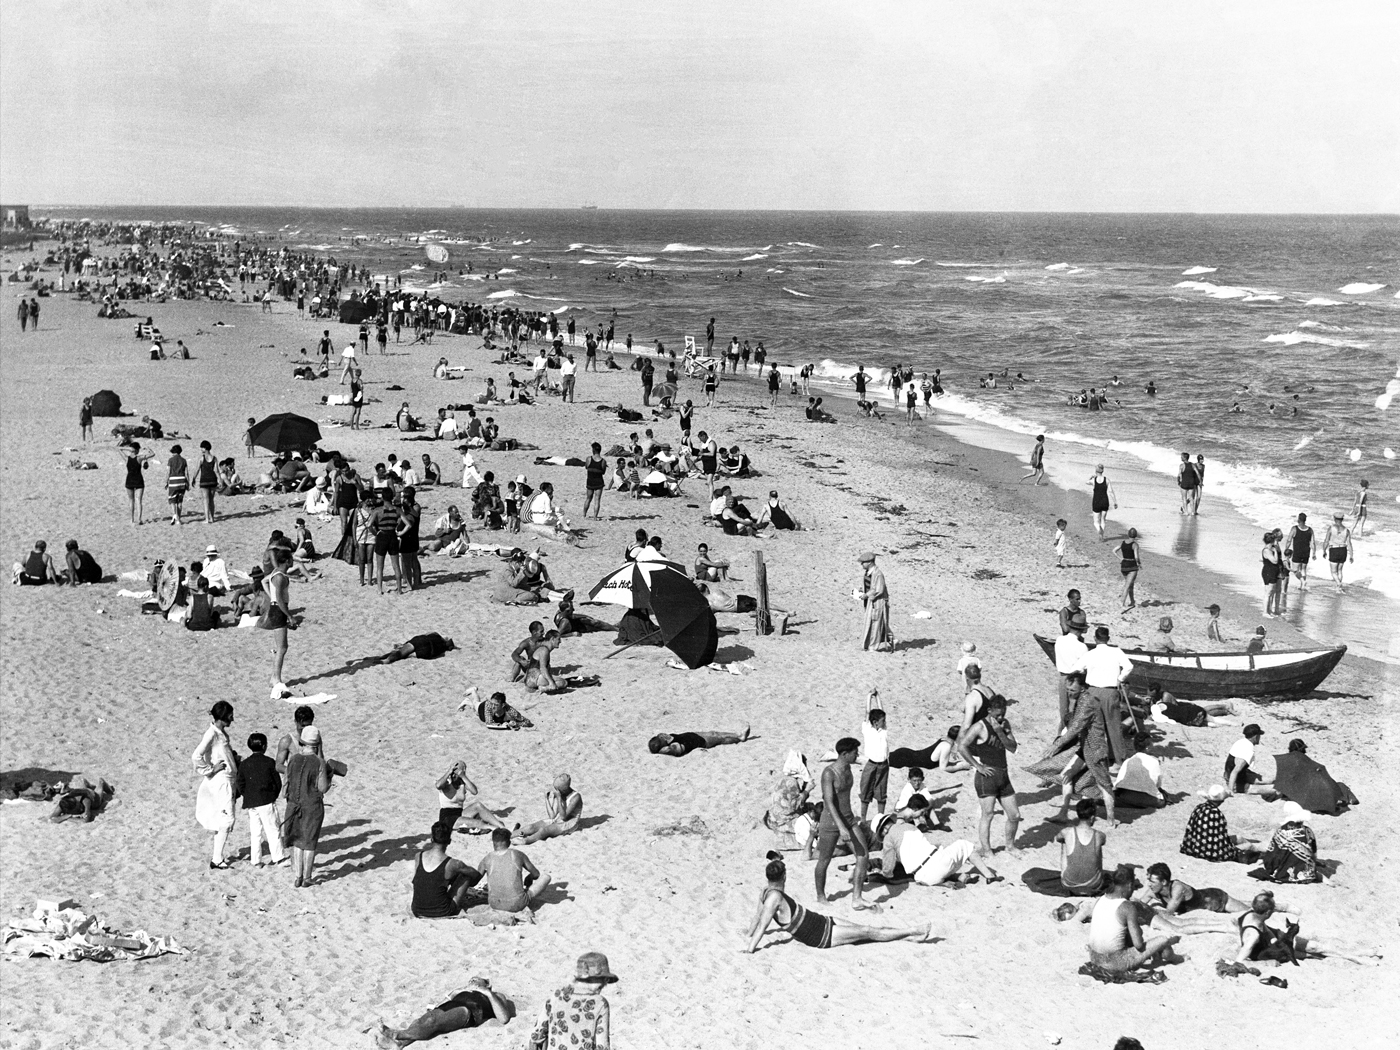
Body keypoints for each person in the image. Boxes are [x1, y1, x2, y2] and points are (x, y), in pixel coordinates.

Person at [744, 855, 933, 952]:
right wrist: (750, 949)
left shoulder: (765, 891)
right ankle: (913, 930)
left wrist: (748, 933)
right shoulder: (774, 899)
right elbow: (762, 925)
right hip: (819, 935)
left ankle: (907, 937)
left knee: (866, 931)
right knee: (867, 931)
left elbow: (756, 919)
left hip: (820, 920)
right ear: (784, 876)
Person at [874, 797, 1001, 886]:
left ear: (881, 832)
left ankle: (956, 878)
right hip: (938, 864)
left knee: (937, 865)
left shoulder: (888, 840)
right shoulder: (908, 826)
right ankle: (990, 876)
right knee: (965, 845)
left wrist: (885, 874)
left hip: (923, 878)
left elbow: (888, 868)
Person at [814, 737, 874, 910]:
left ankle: (857, 898)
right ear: (844, 754)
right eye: (855, 752)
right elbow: (829, 802)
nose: (857, 755)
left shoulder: (848, 767)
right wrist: (841, 827)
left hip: (848, 819)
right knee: (824, 860)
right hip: (830, 822)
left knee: (863, 855)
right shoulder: (829, 773)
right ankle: (820, 896)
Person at [1084, 866, 1181, 974]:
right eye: (1133, 888)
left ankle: (1162, 955)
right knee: (1164, 939)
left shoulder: (1100, 900)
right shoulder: (1127, 906)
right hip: (1116, 962)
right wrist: (1139, 931)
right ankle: (1177, 958)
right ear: (1129, 885)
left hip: (1094, 958)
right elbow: (1139, 945)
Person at [957, 694, 1021, 856]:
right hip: (987, 777)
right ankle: (986, 850)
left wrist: (1000, 731)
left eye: (1003, 714)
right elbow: (962, 746)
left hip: (1003, 775)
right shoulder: (979, 727)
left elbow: (1012, 747)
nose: (1000, 718)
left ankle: (1010, 846)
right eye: (997, 714)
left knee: (1014, 815)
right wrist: (977, 765)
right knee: (988, 814)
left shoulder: (1004, 725)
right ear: (989, 710)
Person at [375, 977, 512, 1047]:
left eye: (476, 980)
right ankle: (401, 1044)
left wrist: (487, 993)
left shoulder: (496, 996)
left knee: (432, 1021)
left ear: (487, 984)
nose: (472, 981)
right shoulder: (463, 991)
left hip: (470, 1010)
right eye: (471, 980)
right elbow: (440, 1005)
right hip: (452, 1006)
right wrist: (456, 992)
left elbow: (504, 1018)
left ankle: (396, 1034)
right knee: (422, 1021)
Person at [525, 952, 618, 1050]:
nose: (605, 985)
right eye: (605, 979)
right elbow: (602, 1046)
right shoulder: (600, 1004)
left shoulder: (557, 996)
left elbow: (536, 1036)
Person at [192, 701, 239, 870]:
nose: (232, 719)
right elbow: (196, 756)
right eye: (230, 716)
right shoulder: (211, 733)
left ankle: (217, 857)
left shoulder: (220, 733)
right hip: (221, 781)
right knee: (227, 818)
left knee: (223, 818)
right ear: (223, 717)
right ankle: (217, 858)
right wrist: (210, 770)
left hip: (227, 780)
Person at [283, 724, 331, 887]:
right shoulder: (319, 762)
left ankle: (298, 876)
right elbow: (322, 788)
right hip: (312, 806)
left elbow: (286, 782)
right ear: (316, 744)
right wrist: (330, 777)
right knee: (309, 842)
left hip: (293, 805)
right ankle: (307, 877)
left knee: (297, 841)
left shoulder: (293, 759)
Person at [409, 820, 484, 919]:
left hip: (416, 910)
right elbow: (475, 875)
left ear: (432, 839)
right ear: (449, 841)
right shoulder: (453, 864)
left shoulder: (418, 856)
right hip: (442, 911)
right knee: (465, 875)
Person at [235, 733, 286, 867]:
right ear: (264, 746)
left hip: (251, 802)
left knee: (255, 833)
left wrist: (247, 795)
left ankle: (256, 861)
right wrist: (273, 796)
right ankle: (279, 858)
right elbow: (277, 783)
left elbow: (240, 783)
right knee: (272, 830)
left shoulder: (244, 764)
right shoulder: (269, 762)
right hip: (266, 800)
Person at [1083, 626, 1133, 764]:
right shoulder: (1116, 651)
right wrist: (1120, 678)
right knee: (1113, 726)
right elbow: (1129, 666)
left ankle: (1095, 758)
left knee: (1094, 726)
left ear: (1095, 638)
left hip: (1093, 691)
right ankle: (1118, 758)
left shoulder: (1090, 653)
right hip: (1110, 691)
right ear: (1108, 638)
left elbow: (1077, 667)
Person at [478, 828, 551, 915]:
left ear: (493, 842)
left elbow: (476, 879)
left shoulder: (486, 859)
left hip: (495, 905)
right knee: (546, 877)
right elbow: (536, 874)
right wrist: (530, 877)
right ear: (509, 842)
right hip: (517, 904)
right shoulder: (517, 854)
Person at [1180, 784, 1260, 863]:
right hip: (1211, 852)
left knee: (1238, 838)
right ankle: (1262, 855)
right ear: (1221, 801)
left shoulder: (1199, 807)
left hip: (1192, 847)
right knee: (1249, 846)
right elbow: (1221, 840)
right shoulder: (1216, 813)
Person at [1140, 861, 1243, 914]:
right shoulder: (1153, 890)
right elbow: (1138, 904)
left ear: (1163, 882)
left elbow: (1168, 912)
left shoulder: (1177, 888)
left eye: (1152, 882)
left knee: (1247, 911)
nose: (1149, 884)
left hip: (1216, 899)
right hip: (1205, 900)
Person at [263, 546, 296, 699]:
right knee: (281, 648)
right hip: (278, 611)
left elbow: (264, 582)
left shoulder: (276, 573)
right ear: (287, 561)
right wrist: (289, 616)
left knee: (282, 647)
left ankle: (274, 677)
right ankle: (275, 678)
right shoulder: (280, 577)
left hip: (276, 609)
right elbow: (280, 599)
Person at [1259, 801, 1320, 883]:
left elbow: (1273, 853)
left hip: (1283, 874)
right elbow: (1314, 854)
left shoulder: (1281, 830)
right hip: (1307, 874)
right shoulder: (1308, 831)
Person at [1056, 799, 1108, 895]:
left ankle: (1066, 874)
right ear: (1092, 818)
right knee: (1097, 847)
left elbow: (1058, 838)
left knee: (1064, 842)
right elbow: (1103, 842)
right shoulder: (1100, 835)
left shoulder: (1067, 832)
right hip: (1094, 886)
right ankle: (1092, 876)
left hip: (1069, 884)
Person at [515, 773, 583, 844]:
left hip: (569, 823)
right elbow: (552, 816)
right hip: (558, 819)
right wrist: (546, 799)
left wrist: (559, 798)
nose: (556, 791)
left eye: (557, 789)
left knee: (544, 831)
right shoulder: (560, 793)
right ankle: (510, 835)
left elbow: (564, 816)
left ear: (564, 790)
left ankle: (524, 841)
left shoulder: (576, 797)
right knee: (531, 827)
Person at [1053, 610, 1090, 731]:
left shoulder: (1059, 640)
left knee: (1063, 711)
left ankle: (1061, 733)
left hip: (1062, 677)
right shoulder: (1082, 647)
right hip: (1075, 679)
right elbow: (1084, 667)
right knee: (1074, 710)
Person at [855, 551, 893, 652]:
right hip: (870, 602)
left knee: (876, 623)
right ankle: (891, 639)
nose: (861, 564)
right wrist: (862, 591)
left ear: (870, 562)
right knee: (873, 622)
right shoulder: (868, 573)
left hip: (878, 602)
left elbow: (878, 589)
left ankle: (873, 647)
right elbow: (869, 586)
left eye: (863, 562)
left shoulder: (878, 574)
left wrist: (867, 595)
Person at [859, 702, 889, 821]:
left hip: (883, 766)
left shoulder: (884, 730)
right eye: (883, 720)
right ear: (875, 722)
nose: (885, 722)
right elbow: (867, 713)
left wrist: (877, 696)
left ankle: (880, 818)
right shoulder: (867, 729)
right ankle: (863, 819)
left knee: (881, 793)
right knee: (866, 791)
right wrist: (869, 697)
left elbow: (881, 709)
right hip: (871, 764)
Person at [1225, 723, 1273, 795]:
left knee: (1269, 780)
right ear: (1256, 736)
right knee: (1273, 789)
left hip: (1232, 774)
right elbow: (1235, 771)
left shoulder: (1241, 742)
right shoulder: (1248, 750)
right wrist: (1230, 791)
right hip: (1236, 783)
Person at [48, 775, 115, 823]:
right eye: (78, 808)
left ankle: (101, 783)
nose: (80, 809)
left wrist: (67, 818)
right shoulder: (63, 804)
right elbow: (51, 819)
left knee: (97, 802)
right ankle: (85, 784)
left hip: (90, 795)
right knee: (83, 789)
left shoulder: (85, 801)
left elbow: (85, 820)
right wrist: (66, 817)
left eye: (79, 806)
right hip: (78, 792)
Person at [648, 727, 751, 756]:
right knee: (718, 738)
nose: (662, 736)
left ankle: (738, 737)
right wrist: (662, 750)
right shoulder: (671, 747)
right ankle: (739, 737)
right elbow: (676, 750)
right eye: (661, 739)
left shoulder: (667, 740)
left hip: (693, 735)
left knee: (715, 734)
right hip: (700, 742)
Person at [1322, 512, 1353, 588]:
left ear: (1334, 519)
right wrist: (1351, 556)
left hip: (1334, 549)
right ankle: (1338, 588)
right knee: (1340, 570)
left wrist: (1324, 550)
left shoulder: (1331, 528)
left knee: (1333, 572)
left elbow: (1326, 540)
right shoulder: (1347, 530)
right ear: (1342, 519)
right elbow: (1349, 544)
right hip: (1343, 550)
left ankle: (1338, 583)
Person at [1285, 512, 1316, 587]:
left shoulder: (1294, 528)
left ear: (1298, 520)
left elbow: (1289, 540)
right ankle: (1303, 586)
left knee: (1295, 570)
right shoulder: (1310, 530)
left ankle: (1302, 581)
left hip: (1297, 552)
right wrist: (1314, 553)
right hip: (1306, 552)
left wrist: (1286, 549)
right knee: (1303, 569)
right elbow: (1312, 543)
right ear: (1305, 520)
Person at [1116, 528, 1141, 611]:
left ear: (1128, 534)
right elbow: (1136, 557)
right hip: (1132, 566)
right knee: (1127, 585)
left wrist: (1120, 558)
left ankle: (1132, 601)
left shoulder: (1123, 543)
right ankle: (1122, 602)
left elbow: (1114, 550)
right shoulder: (1135, 545)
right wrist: (1139, 563)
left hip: (1124, 566)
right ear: (1136, 535)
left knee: (1130, 584)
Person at [123, 441, 147, 524]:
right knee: (139, 500)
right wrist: (148, 449)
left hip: (129, 480)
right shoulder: (139, 458)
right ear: (137, 449)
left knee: (131, 500)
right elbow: (152, 454)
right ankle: (139, 519)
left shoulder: (127, 458)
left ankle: (132, 519)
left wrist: (128, 449)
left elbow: (119, 449)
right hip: (138, 480)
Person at [1089, 464, 1117, 537]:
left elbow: (1087, 482)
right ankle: (1102, 534)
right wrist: (1115, 502)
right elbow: (1111, 492)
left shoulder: (1093, 480)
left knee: (1096, 522)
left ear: (1096, 471)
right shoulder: (1107, 480)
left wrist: (1091, 477)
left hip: (1096, 502)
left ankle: (1099, 530)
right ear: (1103, 471)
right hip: (1105, 501)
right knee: (1103, 520)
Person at [166, 444, 190, 527]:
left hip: (173, 481)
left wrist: (166, 482)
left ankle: (174, 515)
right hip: (182, 481)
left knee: (172, 500)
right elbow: (186, 473)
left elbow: (168, 472)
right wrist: (188, 483)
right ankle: (178, 519)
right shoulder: (184, 460)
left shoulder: (170, 460)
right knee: (180, 501)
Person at [195, 441, 218, 523]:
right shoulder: (214, 458)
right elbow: (217, 471)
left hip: (204, 480)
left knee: (205, 500)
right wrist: (220, 480)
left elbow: (197, 469)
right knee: (211, 500)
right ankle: (212, 518)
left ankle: (207, 519)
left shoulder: (202, 458)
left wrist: (194, 478)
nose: (201, 449)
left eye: (202, 448)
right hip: (213, 480)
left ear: (205, 448)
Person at [1261, 530, 1283, 617]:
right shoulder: (1268, 550)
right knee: (1269, 592)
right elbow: (1275, 561)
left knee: (1270, 592)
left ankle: (1268, 611)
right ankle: (1265, 612)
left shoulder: (1269, 549)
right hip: (1269, 572)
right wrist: (1275, 551)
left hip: (1272, 571)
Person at [583, 442, 607, 519]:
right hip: (599, 481)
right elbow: (603, 472)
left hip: (590, 480)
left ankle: (584, 514)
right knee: (597, 500)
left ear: (593, 450)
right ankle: (595, 517)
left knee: (588, 498)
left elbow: (586, 467)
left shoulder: (588, 459)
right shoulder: (603, 461)